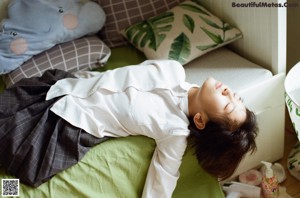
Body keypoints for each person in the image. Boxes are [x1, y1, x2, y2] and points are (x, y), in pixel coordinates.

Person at [0, 60, 258, 198]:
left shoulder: (175, 132)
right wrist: (79, 78)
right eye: (237, 97)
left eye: (228, 105)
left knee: (15, 177)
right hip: (61, 89)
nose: (229, 92)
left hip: (70, 124)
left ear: (200, 121)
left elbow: (162, 182)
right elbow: (119, 75)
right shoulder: (172, 69)